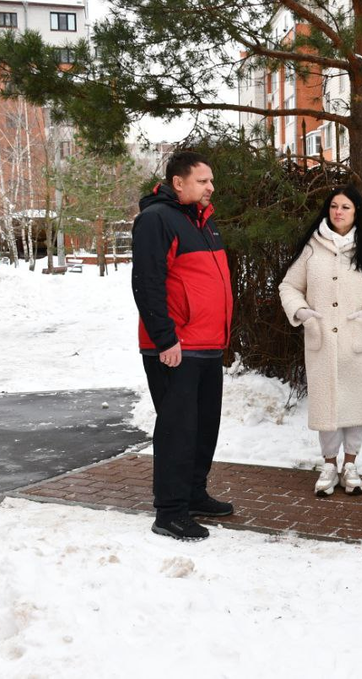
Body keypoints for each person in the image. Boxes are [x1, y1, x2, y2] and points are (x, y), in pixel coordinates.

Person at [131, 151, 235, 541]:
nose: (211, 187)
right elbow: (147, 282)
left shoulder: (203, 223)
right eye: (203, 181)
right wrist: (165, 339)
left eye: (211, 180)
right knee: (178, 429)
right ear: (179, 183)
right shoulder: (157, 219)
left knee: (204, 426)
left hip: (207, 344)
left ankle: (193, 493)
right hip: (176, 346)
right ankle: (169, 511)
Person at [279, 186, 362, 496]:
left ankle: (351, 464)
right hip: (322, 343)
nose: (338, 212)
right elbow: (289, 286)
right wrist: (302, 312)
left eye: (345, 207)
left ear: (356, 211)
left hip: (358, 342)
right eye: (334, 206)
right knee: (327, 408)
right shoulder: (312, 248)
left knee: (356, 406)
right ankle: (329, 464)